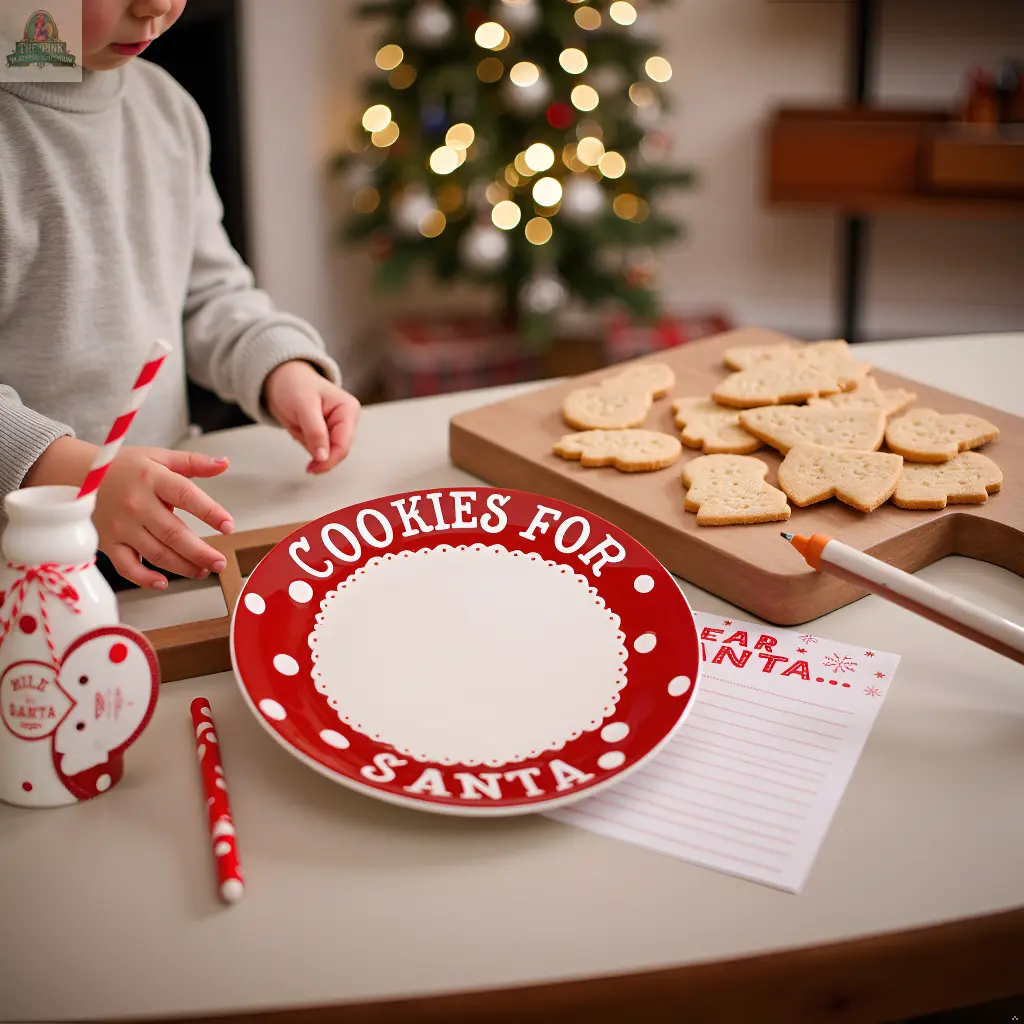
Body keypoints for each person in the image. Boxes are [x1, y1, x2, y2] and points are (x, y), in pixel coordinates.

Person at [0, 0, 361, 591]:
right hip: (23, 562)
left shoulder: (167, 109)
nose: (158, 4)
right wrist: (68, 472)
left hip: (158, 530)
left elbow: (209, 291)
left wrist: (282, 367)